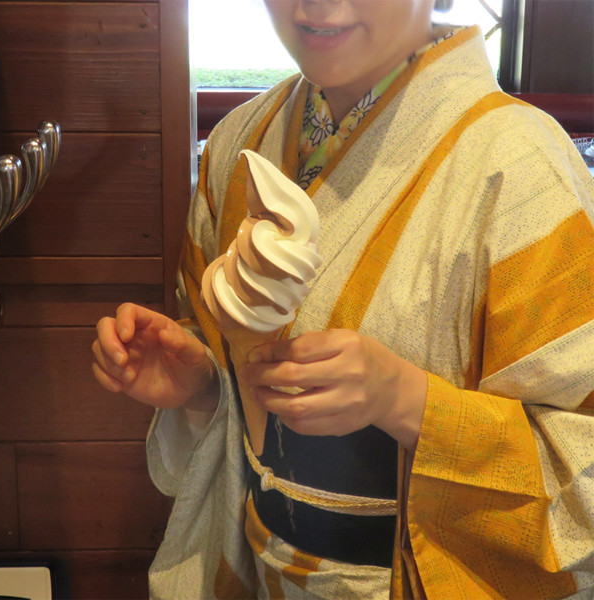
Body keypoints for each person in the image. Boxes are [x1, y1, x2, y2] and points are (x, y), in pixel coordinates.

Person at [92, 0, 594, 597]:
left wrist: (405, 400)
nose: (316, 5)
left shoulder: (521, 165)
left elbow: (583, 473)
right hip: (263, 570)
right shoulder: (239, 145)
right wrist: (202, 384)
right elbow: (237, 384)